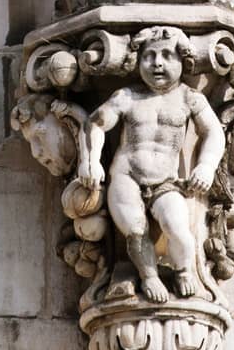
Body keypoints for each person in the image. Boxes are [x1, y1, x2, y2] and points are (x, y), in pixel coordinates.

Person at [77, 26, 225, 303]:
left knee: (180, 233)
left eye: (167, 55)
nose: (157, 63)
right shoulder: (127, 97)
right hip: (126, 176)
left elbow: (214, 132)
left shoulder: (190, 98)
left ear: (183, 61)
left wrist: (206, 167)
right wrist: (90, 162)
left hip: (166, 182)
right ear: (137, 61)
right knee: (135, 230)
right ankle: (149, 277)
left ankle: (183, 271)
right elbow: (94, 124)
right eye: (149, 56)